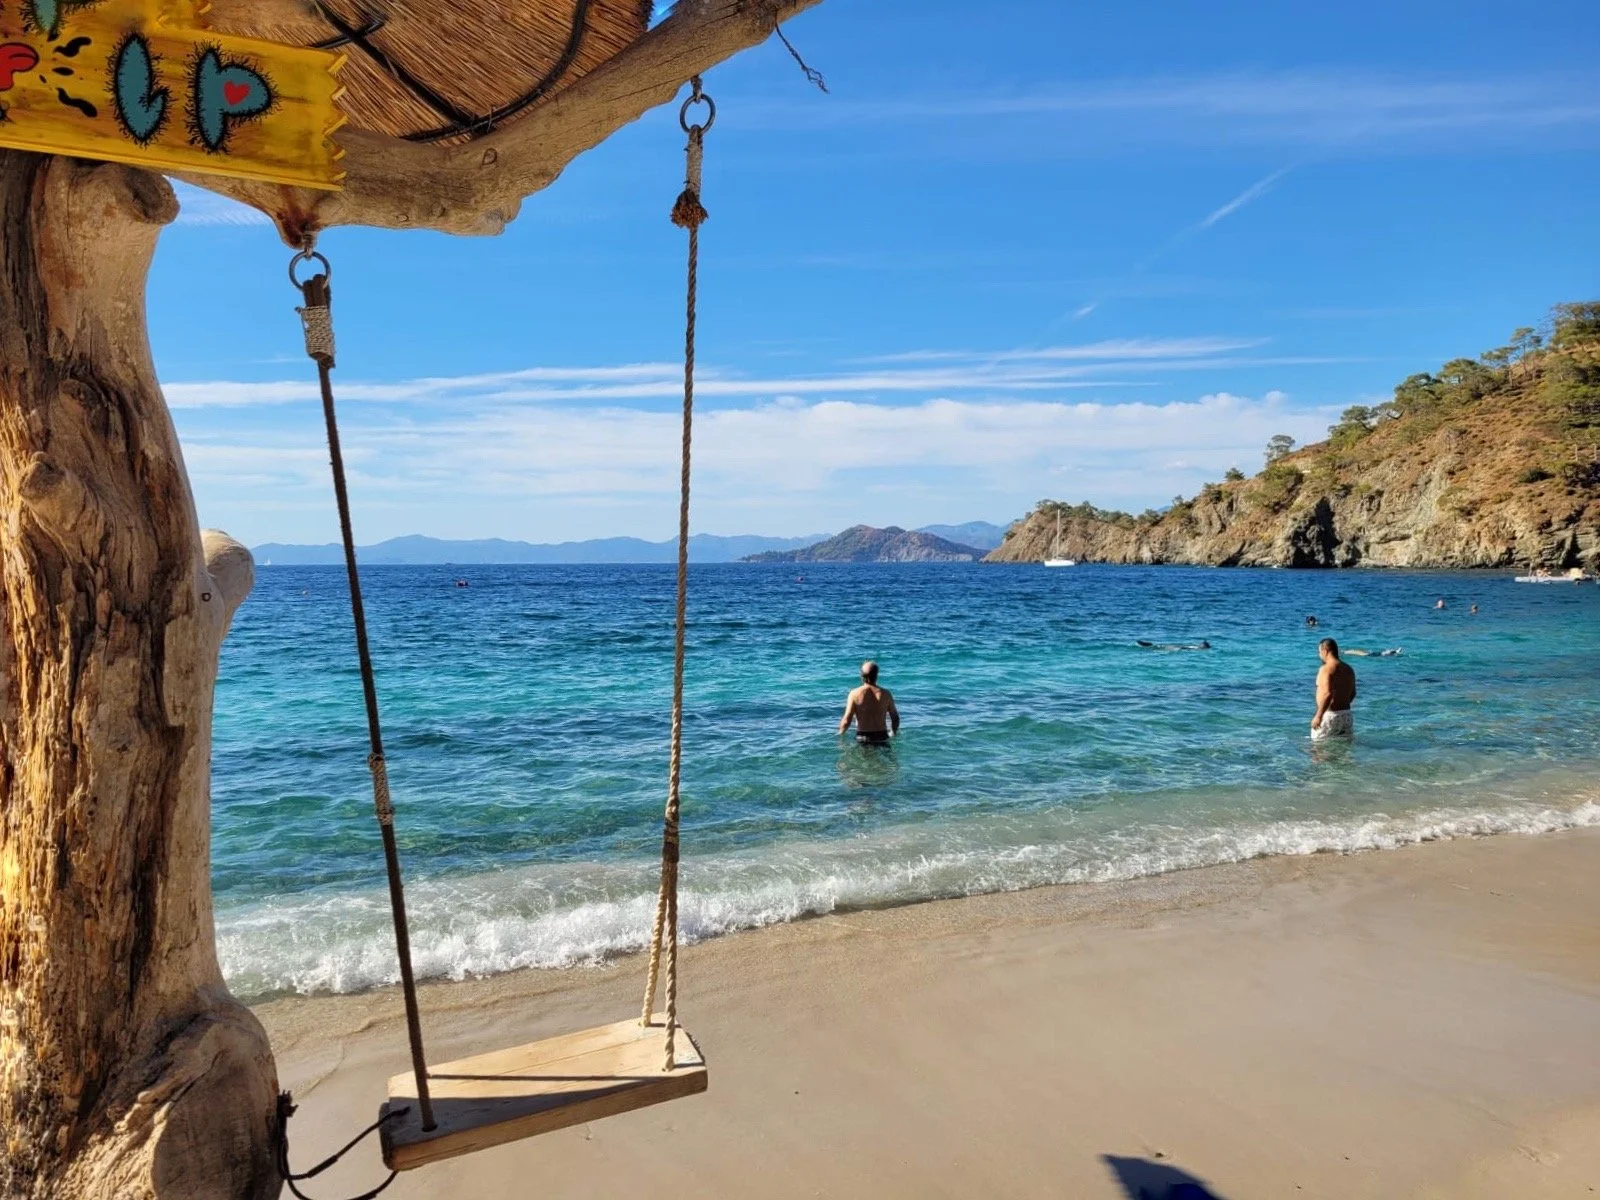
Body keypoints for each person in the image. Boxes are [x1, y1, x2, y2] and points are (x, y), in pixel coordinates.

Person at [839, 660, 900, 746]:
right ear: (877, 675)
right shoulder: (886, 694)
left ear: (861, 676)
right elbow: (895, 717)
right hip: (882, 736)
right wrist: (893, 733)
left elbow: (847, 720)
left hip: (863, 737)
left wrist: (840, 735)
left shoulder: (854, 694)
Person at [1311, 638, 1356, 739]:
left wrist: (1318, 716)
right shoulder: (1348, 669)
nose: (1319, 655)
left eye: (1319, 652)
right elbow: (1353, 693)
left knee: (1318, 746)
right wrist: (1341, 705)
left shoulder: (1325, 669)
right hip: (1346, 715)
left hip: (1329, 716)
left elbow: (1328, 694)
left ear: (1325, 651)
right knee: (1343, 747)